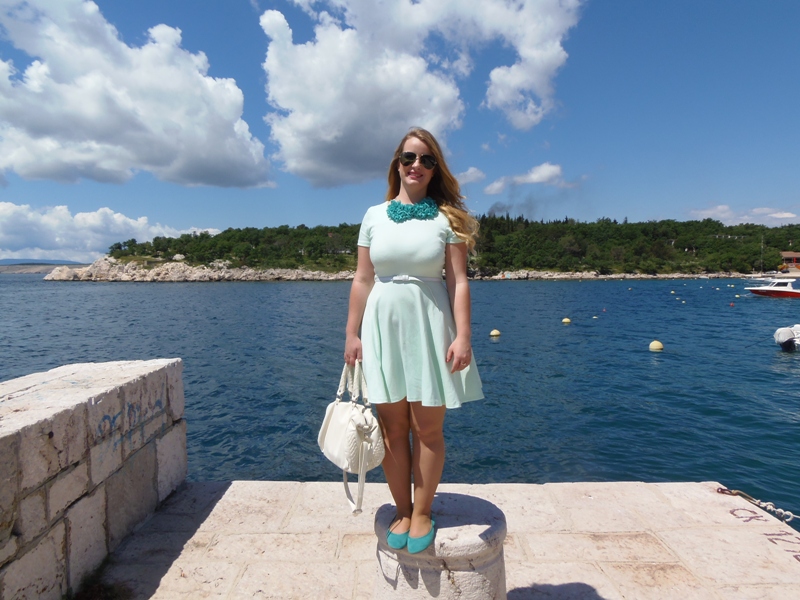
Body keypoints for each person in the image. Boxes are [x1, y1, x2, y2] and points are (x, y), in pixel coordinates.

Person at [344, 127, 483, 554]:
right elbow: (363, 278)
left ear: (436, 168)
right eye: (409, 158)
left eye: (426, 159)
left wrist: (463, 336)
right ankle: (402, 509)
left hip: (430, 326)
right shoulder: (374, 215)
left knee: (427, 428)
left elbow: (458, 281)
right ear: (397, 164)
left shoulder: (448, 219)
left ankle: (422, 512)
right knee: (392, 429)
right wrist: (351, 333)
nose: (416, 165)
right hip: (381, 328)